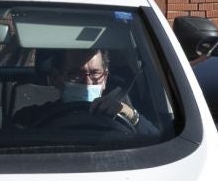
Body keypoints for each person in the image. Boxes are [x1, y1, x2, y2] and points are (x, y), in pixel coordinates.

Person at [13, 47, 145, 133]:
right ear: (55, 78)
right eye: (75, 74)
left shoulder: (121, 114)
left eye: (95, 73)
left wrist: (131, 115)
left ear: (105, 78)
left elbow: (158, 142)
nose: (87, 82)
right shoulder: (28, 118)